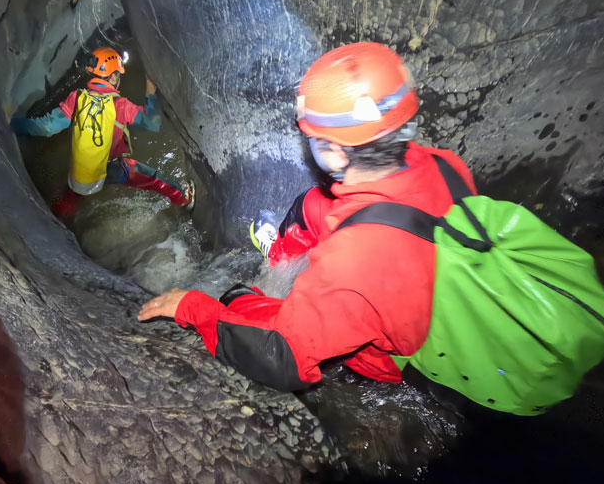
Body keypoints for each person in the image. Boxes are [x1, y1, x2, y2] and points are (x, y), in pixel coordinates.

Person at [138, 42, 476, 392]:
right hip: (409, 264)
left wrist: (193, 308)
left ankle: (253, 294)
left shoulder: (356, 261)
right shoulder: (444, 163)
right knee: (312, 204)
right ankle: (278, 256)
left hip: (393, 352)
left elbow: (282, 356)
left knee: (238, 300)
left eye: (315, 140)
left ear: (335, 152)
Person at [12, 46, 194, 217]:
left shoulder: (77, 98)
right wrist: (151, 92)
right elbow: (151, 123)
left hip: (81, 172)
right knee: (153, 178)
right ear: (113, 77)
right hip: (111, 167)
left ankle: (59, 214)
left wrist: (16, 124)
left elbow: (47, 127)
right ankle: (183, 197)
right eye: (117, 75)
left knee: (73, 191)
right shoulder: (119, 106)